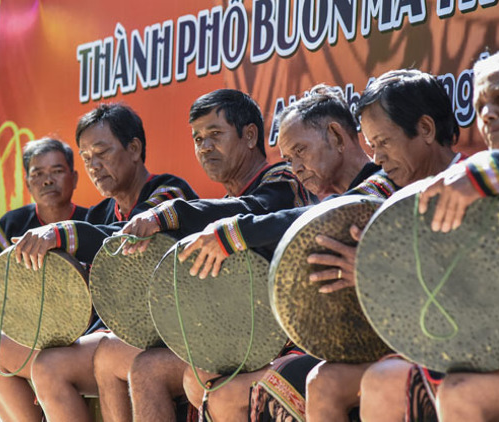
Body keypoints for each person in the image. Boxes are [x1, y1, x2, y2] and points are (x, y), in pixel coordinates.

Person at [165, 85, 398, 422]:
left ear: (335, 135)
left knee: (247, 392)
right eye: (289, 159)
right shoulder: (323, 198)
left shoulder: (381, 185)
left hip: (380, 345)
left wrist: (234, 234)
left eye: (301, 151)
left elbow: (323, 214)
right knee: (207, 380)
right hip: (328, 344)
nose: (296, 167)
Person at [367, 50, 499, 422]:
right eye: (480, 107)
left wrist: (490, 170)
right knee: (461, 391)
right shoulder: (475, 186)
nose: (488, 114)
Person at [92, 89, 315, 422]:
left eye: (214, 135)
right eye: (198, 139)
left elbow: (251, 211)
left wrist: (170, 214)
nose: (205, 146)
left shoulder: (284, 181)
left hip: (282, 339)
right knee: (144, 366)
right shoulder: (222, 201)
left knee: (194, 376)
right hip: (234, 339)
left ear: (250, 135)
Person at [0, 103, 198, 422]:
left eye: (102, 152)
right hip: (98, 338)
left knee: (50, 366)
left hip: (161, 341)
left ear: (134, 148)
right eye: (86, 157)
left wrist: (63, 233)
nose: (94, 165)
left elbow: (125, 236)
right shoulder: (96, 215)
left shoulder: (168, 193)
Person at [265, 69, 462, 422]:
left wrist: (377, 276)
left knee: (379, 381)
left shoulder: (472, 185)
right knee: (322, 380)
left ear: (427, 130)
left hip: (460, 344)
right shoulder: (393, 195)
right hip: (407, 341)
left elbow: (470, 290)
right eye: (372, 146)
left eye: (384, 143)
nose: (378, 158)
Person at [0, 137, 88, 422]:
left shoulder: (90, 224)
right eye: (37, 173)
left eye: (56, 171)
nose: (47, 180)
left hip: (78, 333)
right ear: (27, 182)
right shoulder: (12, 224)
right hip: (21, 327)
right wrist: (22, 310)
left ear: (74, 178)